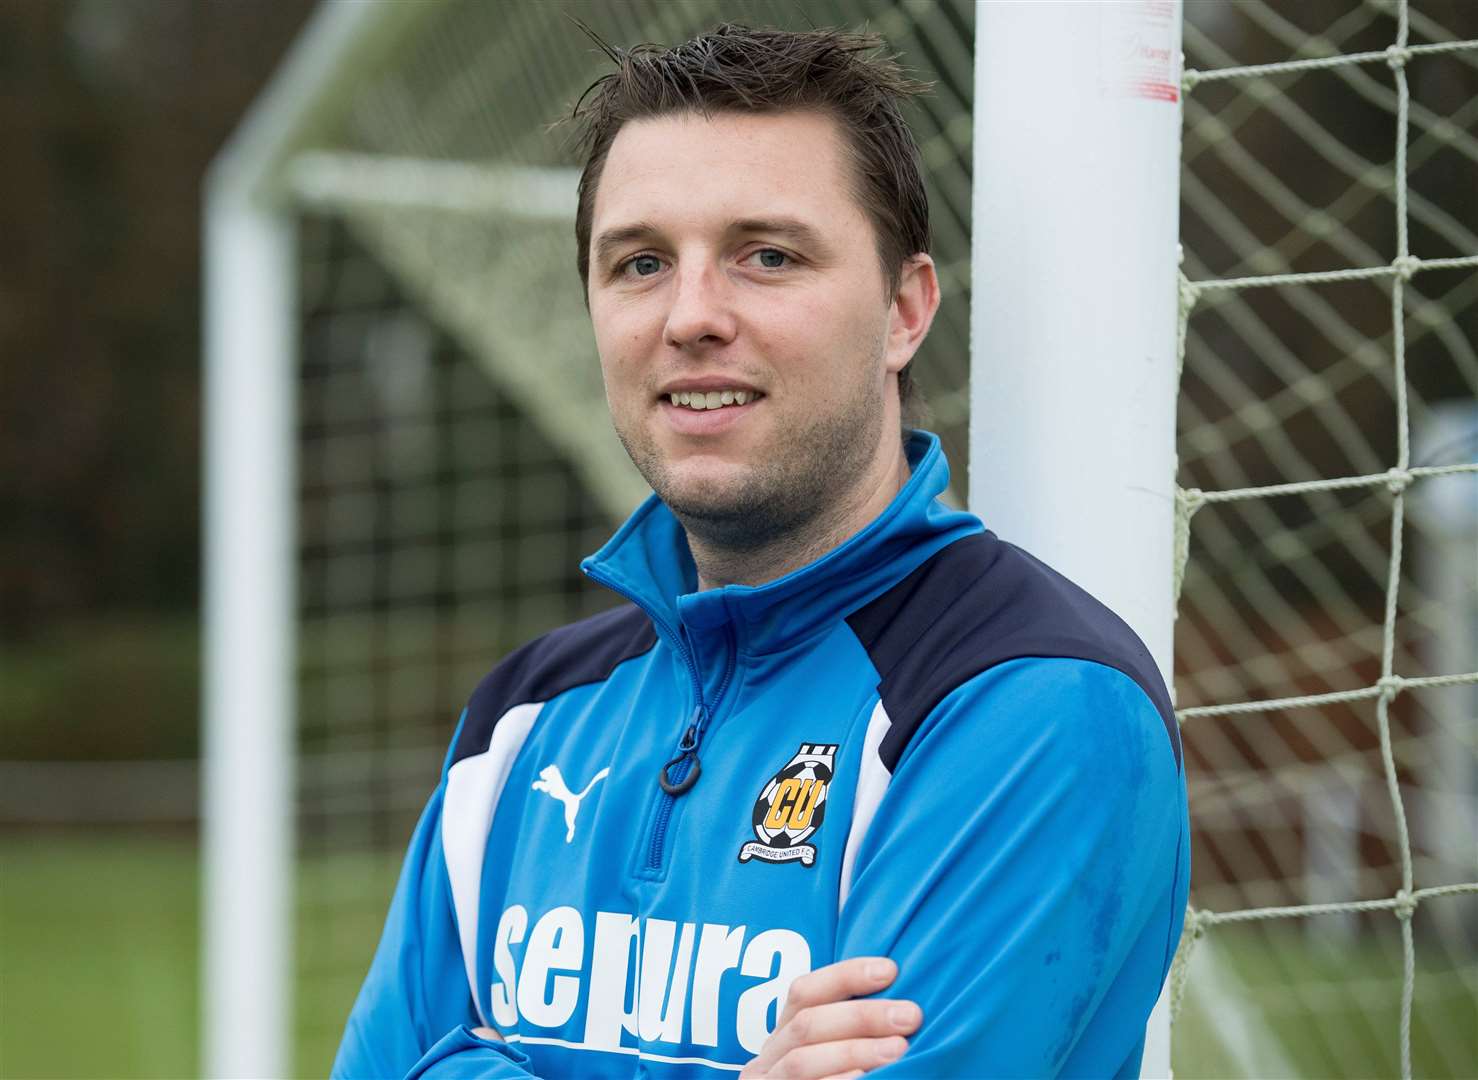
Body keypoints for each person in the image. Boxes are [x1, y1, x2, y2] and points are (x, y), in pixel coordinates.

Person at [333, 23, 1188, 1080]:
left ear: (903, 311)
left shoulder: (1031, 705)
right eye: (640, 263)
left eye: (766, 256)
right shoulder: (521, 723)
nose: (691, 316)